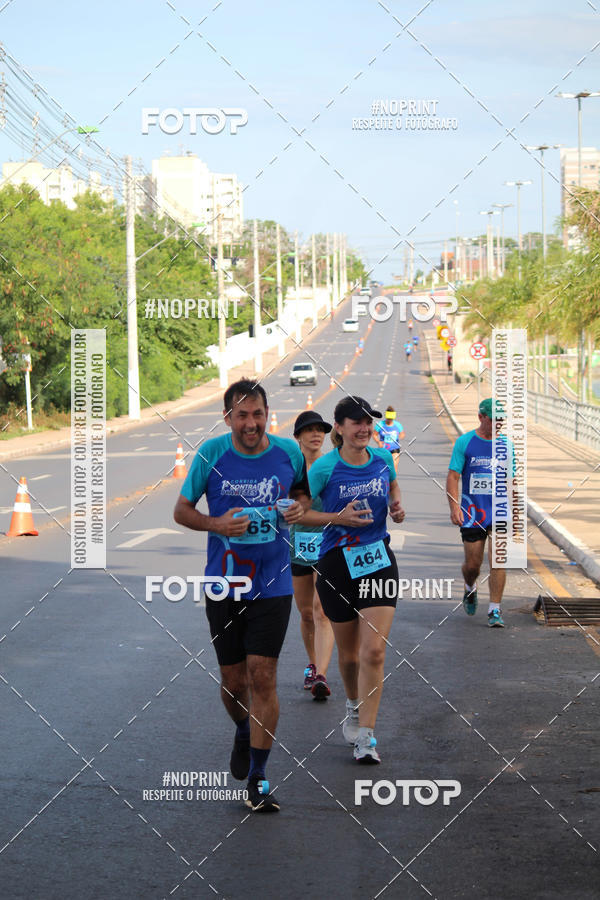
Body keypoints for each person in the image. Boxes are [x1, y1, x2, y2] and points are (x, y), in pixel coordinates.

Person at [173, 379, 310, 813]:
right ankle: (241, 728)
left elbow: (302, 495)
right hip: (225, 583)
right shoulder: (211, 454)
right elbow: (182, 510)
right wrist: (216, 525)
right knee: (234, 683)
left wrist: (300, 509)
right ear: (228, 416)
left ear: (268, 413)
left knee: (263, 676)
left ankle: (259, 777)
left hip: (273, 580)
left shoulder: (288, 453)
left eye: (258, 414)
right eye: (242, 415)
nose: (251, 423)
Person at [302, 396, 405, 764]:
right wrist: (337, 517)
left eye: (369, 422)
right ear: (340, 428)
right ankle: (352, 704)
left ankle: (367, 736)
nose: (364, 428)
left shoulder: (381, 458)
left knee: (373, 651)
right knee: (348, 657)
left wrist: (396, 505)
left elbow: (393, 485)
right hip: (336, 564)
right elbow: (296, 513)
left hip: (377, 559)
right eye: (356, 422)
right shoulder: (324, 468)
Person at [445, 398, 513, 628]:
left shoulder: (507, 445)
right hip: (473, 512)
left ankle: (495, 609)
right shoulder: (465, 442)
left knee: (499, 561)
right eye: (495, 419)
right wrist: (455, 507)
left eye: (502, 419)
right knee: (473, 566)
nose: (499, 424)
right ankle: (469, 587)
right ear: (481, 417)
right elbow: (453, 477)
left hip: (499, 510)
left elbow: (511, 479)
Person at [289, 411, 335, 700]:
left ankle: (321, 674)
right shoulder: (291, 469)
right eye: (309, 430)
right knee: (306, 613)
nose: (316, 434)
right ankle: (312, 663)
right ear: (298, 437)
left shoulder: (332, 465)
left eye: (320, 430)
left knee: (322, 611)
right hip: (298, 545)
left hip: (328, 543)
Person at [373, 405, 405, 473]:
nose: (390, 420)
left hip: (394, 449)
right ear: (386, 417)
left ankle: (393, 481)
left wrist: (399, 437)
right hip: (383, 449)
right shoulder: (380, 424)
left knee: (393, 466)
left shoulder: (397, 425)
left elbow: (402, 434)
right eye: (388, 419)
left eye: (391, 419)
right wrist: (378, 442)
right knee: (383, 467)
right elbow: (374, 435)